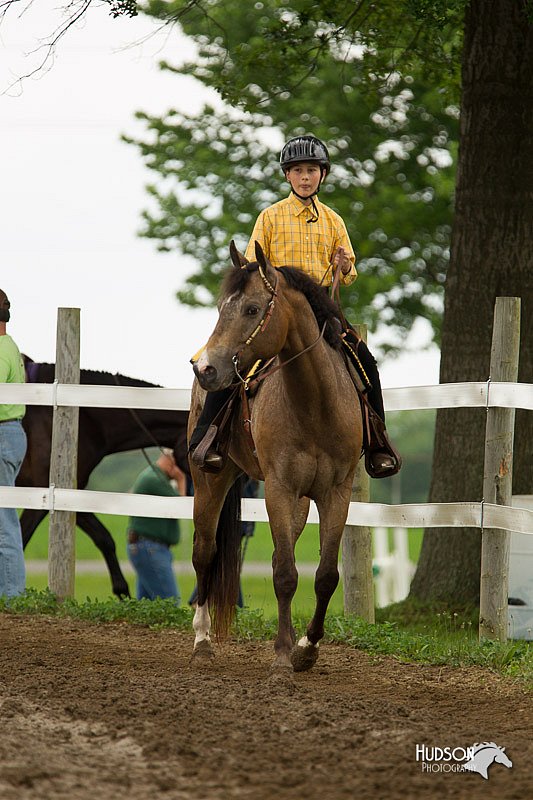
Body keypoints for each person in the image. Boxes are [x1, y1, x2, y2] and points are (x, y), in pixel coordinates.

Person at [189, 134, 400, 477]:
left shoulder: (334, 221)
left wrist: (345, 265)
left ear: (323, 175)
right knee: (236, 361)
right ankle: (207, 437)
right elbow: (253, 268)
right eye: (298, 170)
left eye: (312, 170)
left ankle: (378, 443)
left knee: (365, 361)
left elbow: (349, 273)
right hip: (277, 310)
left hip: (319, 312)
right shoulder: (270, 217)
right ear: (287, 176)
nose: (305, 177)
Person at [126, 448, 186, 601]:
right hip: (151, 548)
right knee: (170, 601)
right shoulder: (155, 480)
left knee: (147, 603)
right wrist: (181, 480)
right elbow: (180, 507)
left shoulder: (153, 475)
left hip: (147, 547)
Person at [0, 289, 27, 598]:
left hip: (3, 433)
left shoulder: (1, 349)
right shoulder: (10, 346)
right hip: (10, 433)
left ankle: (11, 595)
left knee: (3, 520)